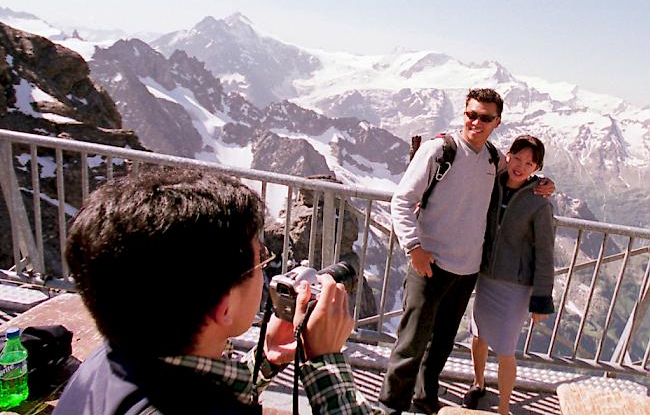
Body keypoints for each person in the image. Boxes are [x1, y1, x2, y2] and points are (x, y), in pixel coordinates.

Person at [55, 168, 376, 414]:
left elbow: (190, 390)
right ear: (223, 307)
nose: (266, 271)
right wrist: (325, 363)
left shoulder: (109, 362)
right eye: (260, 261)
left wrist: (265, 359)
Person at [379, 89, 553, 415]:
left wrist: (544, 181)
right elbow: (401, 200)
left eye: (485, 117)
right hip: (428, 264)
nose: (477, 121)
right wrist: (414, 247)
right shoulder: (439, 150)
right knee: (412, 342)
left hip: (467, 270)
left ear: (496, 122)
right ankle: (390, 407)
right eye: (471, 114)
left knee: (443, 341)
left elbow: (521, 171)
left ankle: (424, 398)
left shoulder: (492, 158)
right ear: (464, 113)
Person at [463, 135, 555, 415]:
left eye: (529, 163)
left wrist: (541, 298)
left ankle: (503, 409)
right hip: (486, 276)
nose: (520, 166)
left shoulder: (540, 203)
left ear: (536, 167)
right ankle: (479, 385)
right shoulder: (493, 183)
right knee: (478, 335)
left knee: (505, 348)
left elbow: (545, 254)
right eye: (517, 158)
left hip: (515, 286)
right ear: (508, 155)